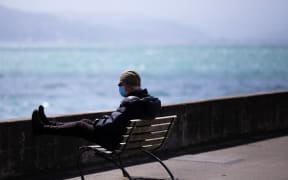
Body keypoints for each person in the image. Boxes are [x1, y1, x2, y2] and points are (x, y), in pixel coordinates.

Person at [32, 70, 161, 150]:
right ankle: (49, 123)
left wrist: (98, 122)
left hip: (115, 142)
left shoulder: (131, 102)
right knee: (85, 121)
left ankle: (42, 129)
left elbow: (111, 125)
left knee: (80, 126)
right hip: (133, 141)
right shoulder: (150, 102)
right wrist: (100, 121)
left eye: (120, 85)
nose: (120, 87)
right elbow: (118, 120)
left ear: (126, 85)